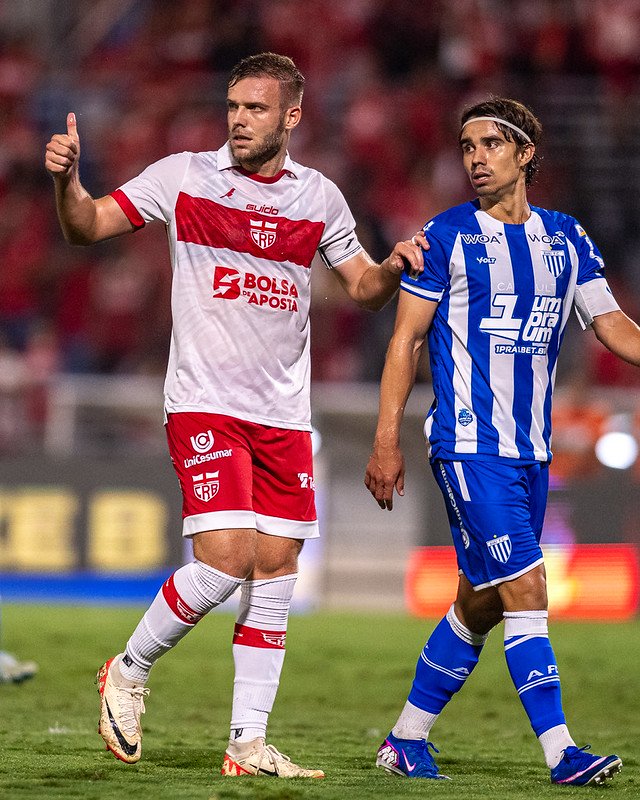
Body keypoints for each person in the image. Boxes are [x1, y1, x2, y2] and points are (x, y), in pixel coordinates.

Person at [45, 52, 425, 778]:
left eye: (256, 108)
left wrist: (392, 269)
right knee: (225, 562)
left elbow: (363, 289)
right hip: (205, 403)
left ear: (292, 116)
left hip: (283, 414)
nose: (240, 120)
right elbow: (86, 226)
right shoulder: (183, 177)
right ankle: (128, 668)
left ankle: (248, 745)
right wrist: (68, 182)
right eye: (233, 106)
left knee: (276, 569)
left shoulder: (319, 197)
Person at [364, 97, 636, 786]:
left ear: (525, 154)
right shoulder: (446, 235)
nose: (475, 158)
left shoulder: (567, 239)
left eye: (490, 144)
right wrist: (386, 439)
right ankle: (562, 753)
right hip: (468, 445)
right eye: (467, 146)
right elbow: (405, 341)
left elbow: (611, 326)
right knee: (526, 584)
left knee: (481, 602)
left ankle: (404, 740)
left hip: (531, 453)